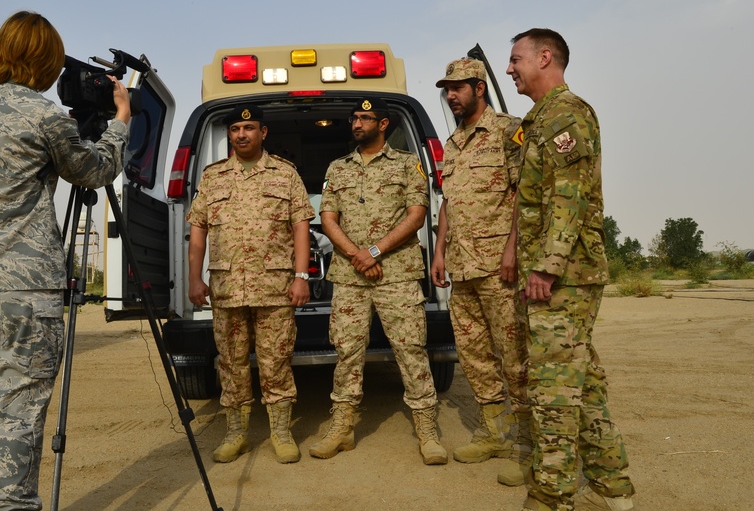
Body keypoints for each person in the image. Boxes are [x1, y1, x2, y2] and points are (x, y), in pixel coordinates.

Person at [0, 11, 131, 511]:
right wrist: (120, 122)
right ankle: (12, 504)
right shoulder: (45, 116)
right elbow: (94, 172)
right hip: (25, 284)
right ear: (47, 60)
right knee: (21, 404)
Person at [507, 29, 636, 511]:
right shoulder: (539, 120)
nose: (510, 68)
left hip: (563, 276)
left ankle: (553, 495)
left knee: (553, 390)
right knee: (582, 381)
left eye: (516, 58)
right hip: (557, 273)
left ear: (546, 58)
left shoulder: (566, 114)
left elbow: (569, 195)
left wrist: (546, 267)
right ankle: (612, 484)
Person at [309, 97, 447, 466]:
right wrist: (358, 254)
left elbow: (416, 215)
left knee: (411, 349)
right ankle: (342, 426)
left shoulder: (406, 164)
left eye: (365, 118)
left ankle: (426, 428)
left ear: (383, 124)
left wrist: (374, 251)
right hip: (351, 276)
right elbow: (328, 217)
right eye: (354, 118)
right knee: (347, 352)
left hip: (397, 272)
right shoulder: (338, 168)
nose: (357, 123)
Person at [186, 104, 314, 465]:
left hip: (274, 287)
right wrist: (195, 277)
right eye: (236, 129)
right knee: (231, 363)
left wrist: (301, 276)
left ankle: (281, 432)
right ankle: (235, 433)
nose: (242, 134)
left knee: (277, 361)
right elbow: (198, 231)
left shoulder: (285, 174)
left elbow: (301, 226)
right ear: (229, 135)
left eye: (249, 128)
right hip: (227, 289)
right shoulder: (212, 177)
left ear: (263, 133)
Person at [429, 58, 531, 485]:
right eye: (447, 89)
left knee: (515, 358)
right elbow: (448, 203)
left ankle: (529, 447)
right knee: (474, 357)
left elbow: (526, 194)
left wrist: (512, 250)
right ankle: (496, 434)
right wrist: (438, 253)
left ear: (478, 87)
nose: (450, 96)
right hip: (462, 266)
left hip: (497, 267)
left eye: (457, 88)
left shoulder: (508, 130)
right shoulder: (452, 144)